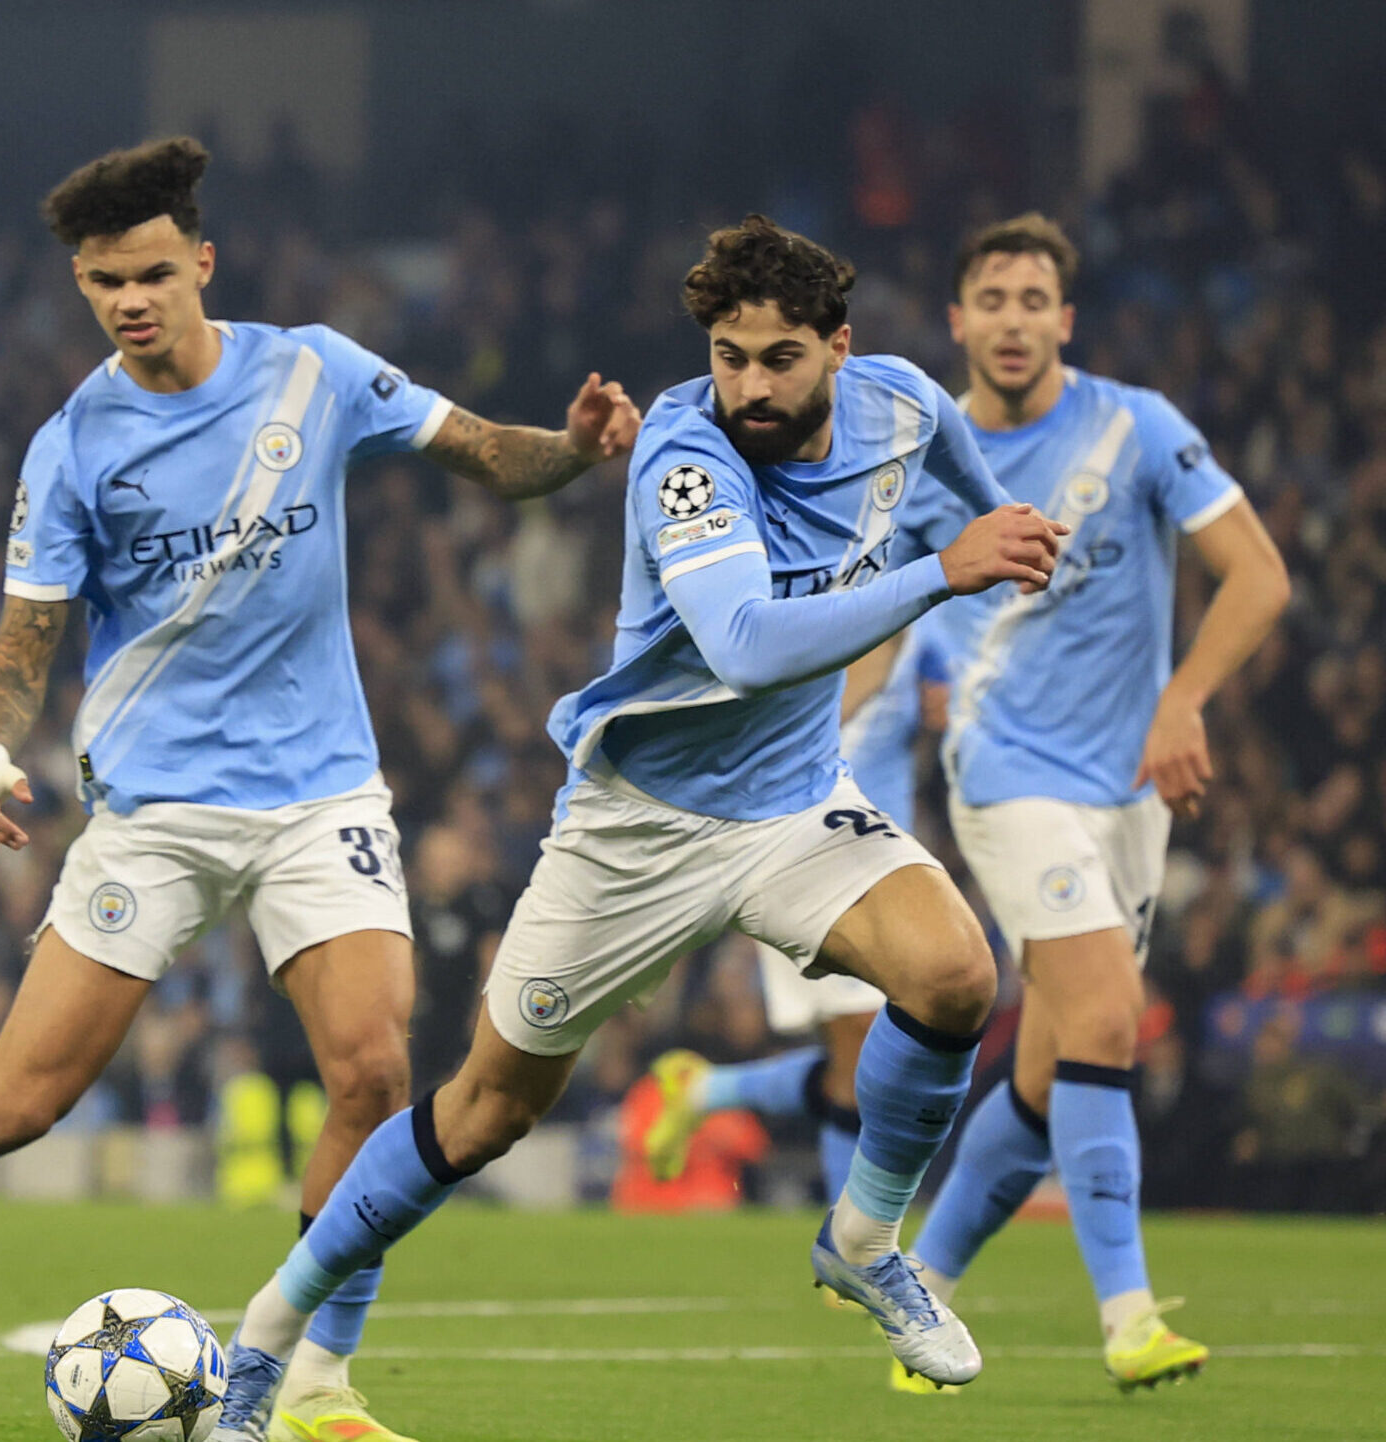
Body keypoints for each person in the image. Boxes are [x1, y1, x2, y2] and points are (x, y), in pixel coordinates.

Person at [0, 137, 640, 1442]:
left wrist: (577, 448)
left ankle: (312, 1376)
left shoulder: (313, 368)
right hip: (155, 809)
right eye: (103, 282)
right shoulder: (75, 445)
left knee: (373, 1072)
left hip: (322, 793)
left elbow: (485, 451)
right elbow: (23, 642)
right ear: (82, 287)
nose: (131, 299)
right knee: (18, 1100)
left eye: (152, 272)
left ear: (202, 263)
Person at [203, 215, 1073, 1441]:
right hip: (636, 832)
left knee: (955, 974)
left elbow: (968, 484)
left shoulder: (903, 404)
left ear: (839, 346)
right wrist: (946, 570)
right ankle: (269, 1335)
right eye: (727, 355)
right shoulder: (684, 449)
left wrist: (1007, 532)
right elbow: (743, 642)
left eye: (777, 359)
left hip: (791, 804)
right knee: (481, 1112)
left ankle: (865, 1241)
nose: (748, 386)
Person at [902, 213, 1289, 1395]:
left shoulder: (1137, 428)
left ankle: (919, 1291)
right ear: (958, 319)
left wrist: (1182, 699)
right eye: (992, 298)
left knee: (1052, 1064)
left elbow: (1258, 575)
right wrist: (897, 692)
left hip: (1128, 786)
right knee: (1110, 1018)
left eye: (1034, 300)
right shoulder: (926, 456)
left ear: (1063, 321)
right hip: (1004, 772)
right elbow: (884, 603)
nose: (1013, 320)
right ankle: (1127, 1317)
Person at [643, 626, 953, 1200]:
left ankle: (709, 1091)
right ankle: (852, 1240)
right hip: (799, 845)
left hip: (892, 859)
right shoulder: (788, 617)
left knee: (884, 1059)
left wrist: (945, 707)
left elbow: (946, 702)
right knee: (863, 1050)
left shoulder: (926, 623)